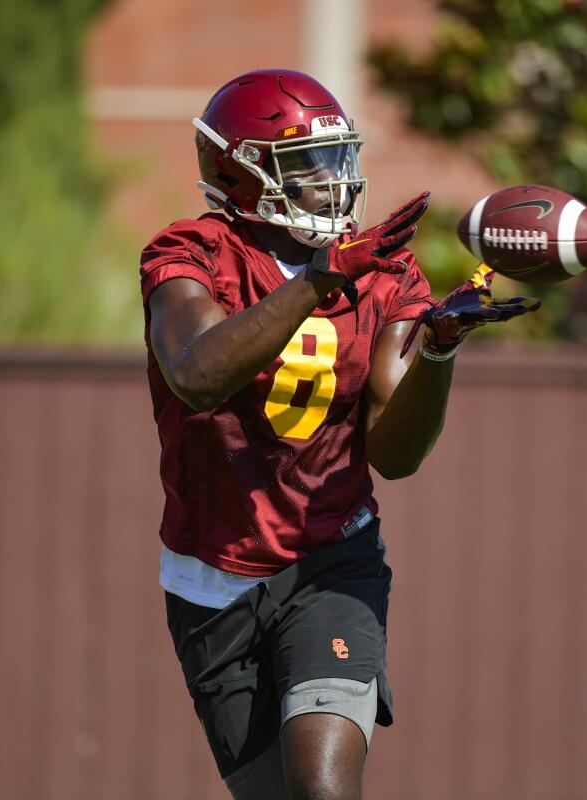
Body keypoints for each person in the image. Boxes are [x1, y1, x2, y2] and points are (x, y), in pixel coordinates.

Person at [140, 69, 537, 800]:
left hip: (330, 559)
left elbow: (395, 454)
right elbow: (197, 374)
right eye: (305, 167)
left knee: (324, 790)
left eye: (337, 161)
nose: (332, 182)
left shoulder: (382, 271)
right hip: (210, 579)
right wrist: (318, 281)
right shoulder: (192, 253)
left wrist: (439, 349)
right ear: (242, 171)